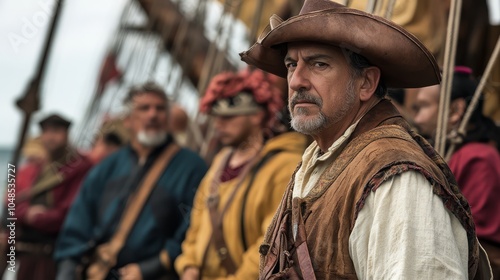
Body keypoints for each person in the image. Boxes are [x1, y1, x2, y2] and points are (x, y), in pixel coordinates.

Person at [239, 0, 492, 279]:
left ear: (366, 83)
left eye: (319, 64)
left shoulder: (397, 179)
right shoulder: (318, 160)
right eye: (291, 65)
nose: (296, 80)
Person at [54, 83, 208, 280]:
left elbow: (193, 230)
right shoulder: (107, 167)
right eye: (144, 108)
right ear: (128, 120)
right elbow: (78, 226)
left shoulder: (192, 167)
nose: (153, 115)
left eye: (160, 108)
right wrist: (67, 272)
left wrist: (150, 268)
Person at [174, 69, 308, 280]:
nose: (218, 125)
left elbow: (270, 242)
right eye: (216, 117)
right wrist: (188, 265)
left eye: (228, 117)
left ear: (256, 115)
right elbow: (196, 224)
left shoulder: (284, 165)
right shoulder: (221, 161)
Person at [414, 66, 500, 279]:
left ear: (455, 111)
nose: (418, 119)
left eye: (423, 107)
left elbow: (476, 240)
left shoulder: (479, 157)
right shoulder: (450, 153)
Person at [11, 114, 93, 280]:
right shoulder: (39, 168)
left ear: (66, 134)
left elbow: (69, 214)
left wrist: (38, 217)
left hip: (56, 252)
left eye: (56, 131)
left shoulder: (80, 166)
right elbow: (15, 206)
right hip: (28, 251)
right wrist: (27, 214)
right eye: (46, 131)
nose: (51, 137)